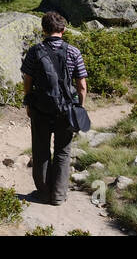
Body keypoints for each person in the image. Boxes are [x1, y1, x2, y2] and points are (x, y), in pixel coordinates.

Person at [21, 11, 88, 205]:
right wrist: (80, 108)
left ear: (43, 30)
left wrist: (28, 100)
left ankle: (43, 193)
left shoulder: (34, 51)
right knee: (63, 151)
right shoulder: (74, 52)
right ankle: (58, 196)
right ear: (63, 29)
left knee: (41, 150)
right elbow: (81, 85)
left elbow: (27, 79)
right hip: (66, 110)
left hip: (40, 108)